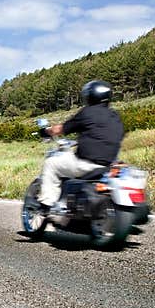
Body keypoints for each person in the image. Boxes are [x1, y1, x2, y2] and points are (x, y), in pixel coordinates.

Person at [38, 80, 124, 213]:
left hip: (85, 164)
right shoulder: (115, 116)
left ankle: (46, 205)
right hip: (108, 165)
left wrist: (45, 131)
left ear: (90, 96)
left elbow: (61, 129)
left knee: (51, 164)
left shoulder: (87, 112)